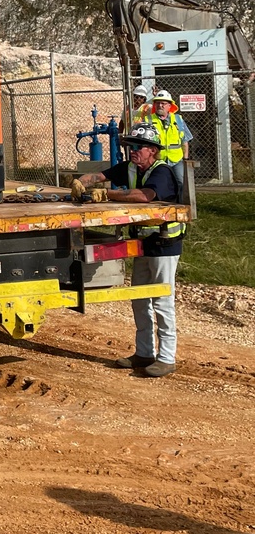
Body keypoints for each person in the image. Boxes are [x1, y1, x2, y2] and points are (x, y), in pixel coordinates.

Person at [73, 123, 185, 377]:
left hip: (164, 245)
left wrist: (106, 195)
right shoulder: (131, 168)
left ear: (153, 151)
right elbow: (99, 176)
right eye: (129, 146)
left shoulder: (162, 172)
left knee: (162, 301)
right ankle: (144, 353)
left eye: (138, 147)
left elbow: (143, 196)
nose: (132, 151)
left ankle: (167, 358)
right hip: (143, 244)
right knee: (139, 300)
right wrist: (81, 182)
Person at [150, 89, 192, 186]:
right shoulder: (148, 120)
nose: (160, 105)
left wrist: (185, 159)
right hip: (157, 160)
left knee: (181, 183)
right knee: (158, 184)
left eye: (163, 103)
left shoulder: (178, 119)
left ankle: (181, 201)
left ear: (169, 106)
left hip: (176, 160)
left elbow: (184, 141)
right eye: (157, 103)